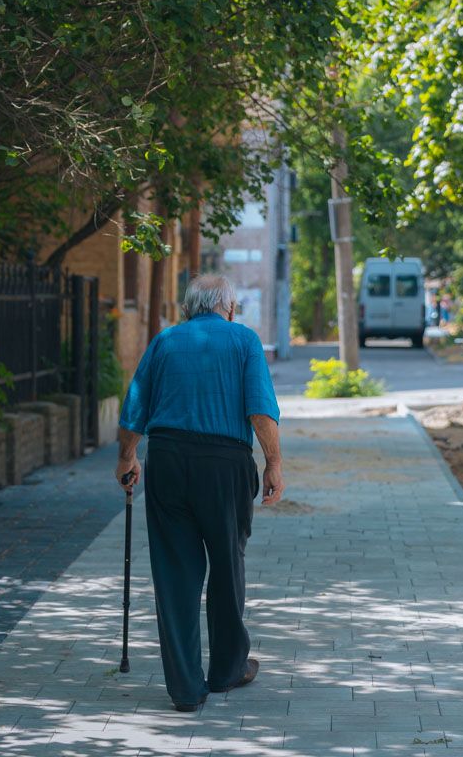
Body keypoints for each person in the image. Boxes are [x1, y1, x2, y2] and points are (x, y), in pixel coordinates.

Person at [115, 274, 284, 713]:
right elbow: (260, 411)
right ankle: (227, 671)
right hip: (224, 465)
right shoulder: (244, 341)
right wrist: (274, 464)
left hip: (168, 459)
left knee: (175, 574)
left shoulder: (166, 342)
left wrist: (128, 458)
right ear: (228, 307)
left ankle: (186, 689)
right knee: (227, 565)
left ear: (190, 307)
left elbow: (135, 407)